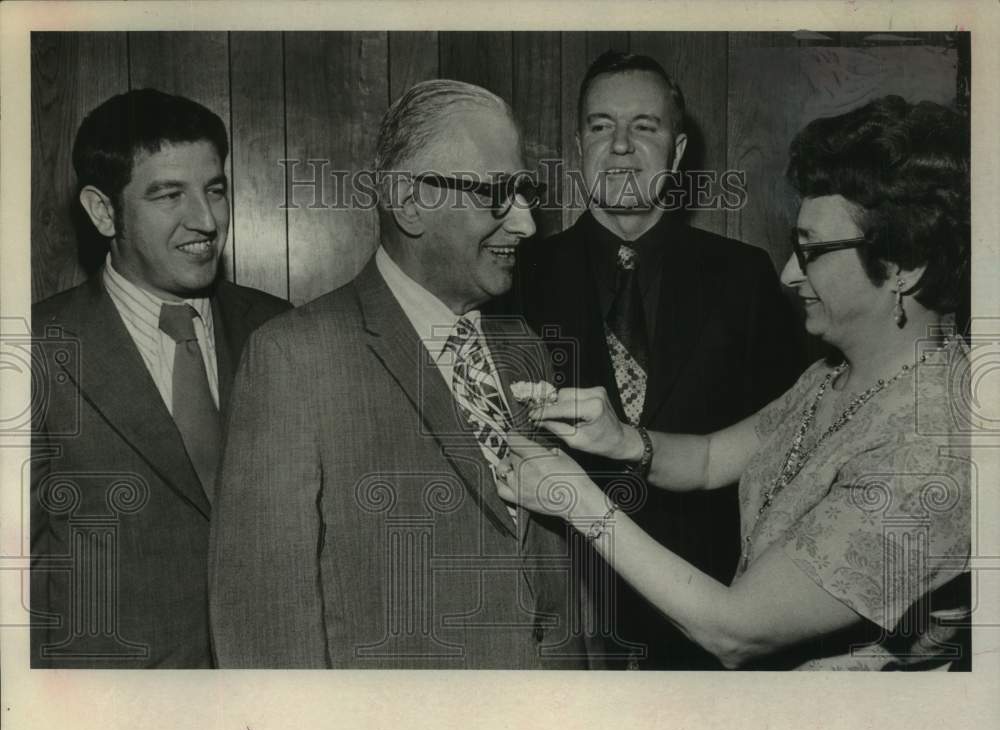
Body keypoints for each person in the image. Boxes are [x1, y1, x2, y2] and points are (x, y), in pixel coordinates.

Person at [498, 95, 971, 670]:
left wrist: (575, 499)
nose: (789, 273)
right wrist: (623, 440)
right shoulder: (834, 375)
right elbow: (711, 459)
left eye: (813, 252)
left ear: (905, 266)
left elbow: (737, 630)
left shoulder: (932, 445)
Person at [209, 79, 590, 668]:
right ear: (409, 201)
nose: (527, 224)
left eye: (525, 192)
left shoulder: (526, 347)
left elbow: (555, 575)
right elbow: (267, 627)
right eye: (497, 195)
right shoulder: (293, 359)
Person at [508, 50, 804, 669]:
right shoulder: (517, 278)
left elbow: (786, 452)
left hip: (712, 624)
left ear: (675, 152)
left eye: (644, 127)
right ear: (576, 146)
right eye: (600, 126)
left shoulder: (746, 279)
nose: (620, 146)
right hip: (565, 623)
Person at [30, 89, 291, 668]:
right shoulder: (34, 351)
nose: (205, 220)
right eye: (169, 194)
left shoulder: (281, 331)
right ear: (103, 212)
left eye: (214, 189)